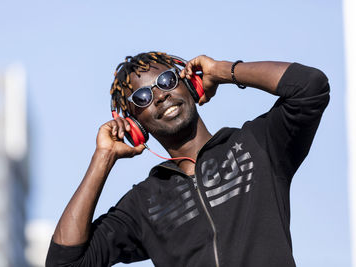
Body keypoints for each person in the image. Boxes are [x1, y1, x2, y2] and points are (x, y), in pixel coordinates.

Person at [46, 52, 330, 267]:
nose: (159, 96)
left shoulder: (258, 144)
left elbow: (310, 87)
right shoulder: (143, 204)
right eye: (143, 97)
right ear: (134, 124)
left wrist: (221, 71)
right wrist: (103, 158)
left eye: (166, 80)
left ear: (189, 84)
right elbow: (64, 263)